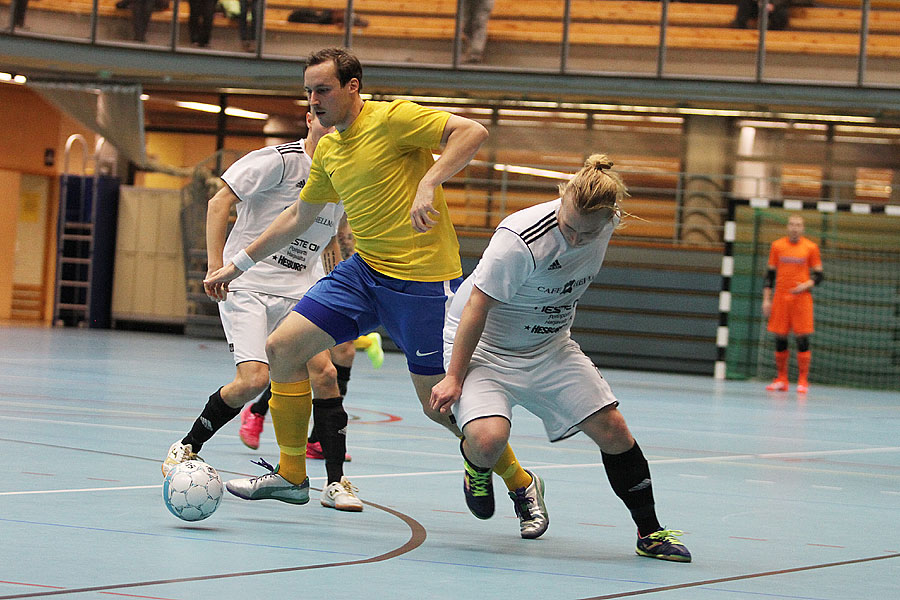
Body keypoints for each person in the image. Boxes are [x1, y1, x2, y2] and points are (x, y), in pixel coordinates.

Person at [205, 48, 536, 520]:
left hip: (422, 283)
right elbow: (300, 215)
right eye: (308, 92)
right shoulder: (332, 150)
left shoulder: (393, 120)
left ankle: (520, 481)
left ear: (352, 86)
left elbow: (472, 131)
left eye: (322, 89)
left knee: (437, 407)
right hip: (364, 272)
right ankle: (292, 474)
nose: (313, 100)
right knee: (282, 349)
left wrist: (429, 181)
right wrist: (237, 265)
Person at [430, 154, 692, 561]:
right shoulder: (520, 239)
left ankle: (650, 533)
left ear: (609, 220)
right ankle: (475, 467)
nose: (575, 239)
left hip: (549, 346)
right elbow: (475, 308)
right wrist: (454, 377)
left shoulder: (604, 223)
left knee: (614, 430)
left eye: (587, 234)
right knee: (487, 440)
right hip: (486, 347)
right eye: (569, 227)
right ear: (562, 198)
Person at [162, 110, 363, 512]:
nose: (332, 127)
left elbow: (328, 242)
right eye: (323, 119)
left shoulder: (345, 176)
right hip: (249, 285)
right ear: (307, 119)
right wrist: (215, 266)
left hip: (299, 290)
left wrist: (335, 284)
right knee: (253, 379)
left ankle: (336, 482)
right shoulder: (280, 161)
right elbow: (219, 202)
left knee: (325, 373)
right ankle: (186, 446)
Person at [762, 214, 823, 394]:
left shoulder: (810, 248)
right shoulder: (777, 246)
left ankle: (803, 380)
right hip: (781, 298)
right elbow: (769, 276)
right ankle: (782, 379)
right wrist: (766, 299)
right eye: (792, 224)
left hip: (801, 299)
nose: (795, 228)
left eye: (798, 225)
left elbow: (819, 275)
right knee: (780, 337)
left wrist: (805, 285)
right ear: (787, 227)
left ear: (803, 228)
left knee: (802, 337)